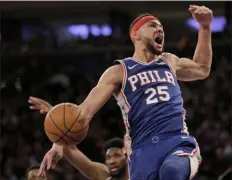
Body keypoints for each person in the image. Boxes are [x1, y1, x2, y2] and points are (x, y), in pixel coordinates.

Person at [30, 5, 213, 180]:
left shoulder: (169, 61)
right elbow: (83, 112)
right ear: (136, 35)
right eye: (153, 26)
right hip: (143, 151)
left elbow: (202, 68)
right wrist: (59, 143)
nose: (160, 30)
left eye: (161, 27)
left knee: (171, 171)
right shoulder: (119, 71)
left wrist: (204, 27)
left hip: (176, 141)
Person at [28, 97, 131, 180]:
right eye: (108, 157)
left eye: (117, 156)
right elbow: (70, 149)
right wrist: (53, 114)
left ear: (127, 156)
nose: (112, 161)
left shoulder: (141, 172)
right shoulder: (104, 175)